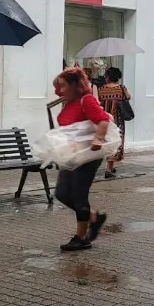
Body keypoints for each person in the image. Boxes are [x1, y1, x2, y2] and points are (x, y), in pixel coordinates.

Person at [53, 67, 111, 252]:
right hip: (72, 155)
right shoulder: (68, 102)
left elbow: (102, 120)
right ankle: (94, 217)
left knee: (79, 195)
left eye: (63, 86)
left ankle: (81, 238)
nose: (59, 91)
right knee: (62, 193)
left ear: (74, 85)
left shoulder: (87, 100)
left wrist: (99, 138)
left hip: (87, 156)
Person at [97, 67, 130, 178]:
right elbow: (128, 97)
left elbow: (99, 102)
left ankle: (110, 166)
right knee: (116, 141)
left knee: (108, 141)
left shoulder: (101, 89)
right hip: (118, 120)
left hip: (105, 120)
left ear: (107, 77)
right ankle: (109, 168)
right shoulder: (121, 88)